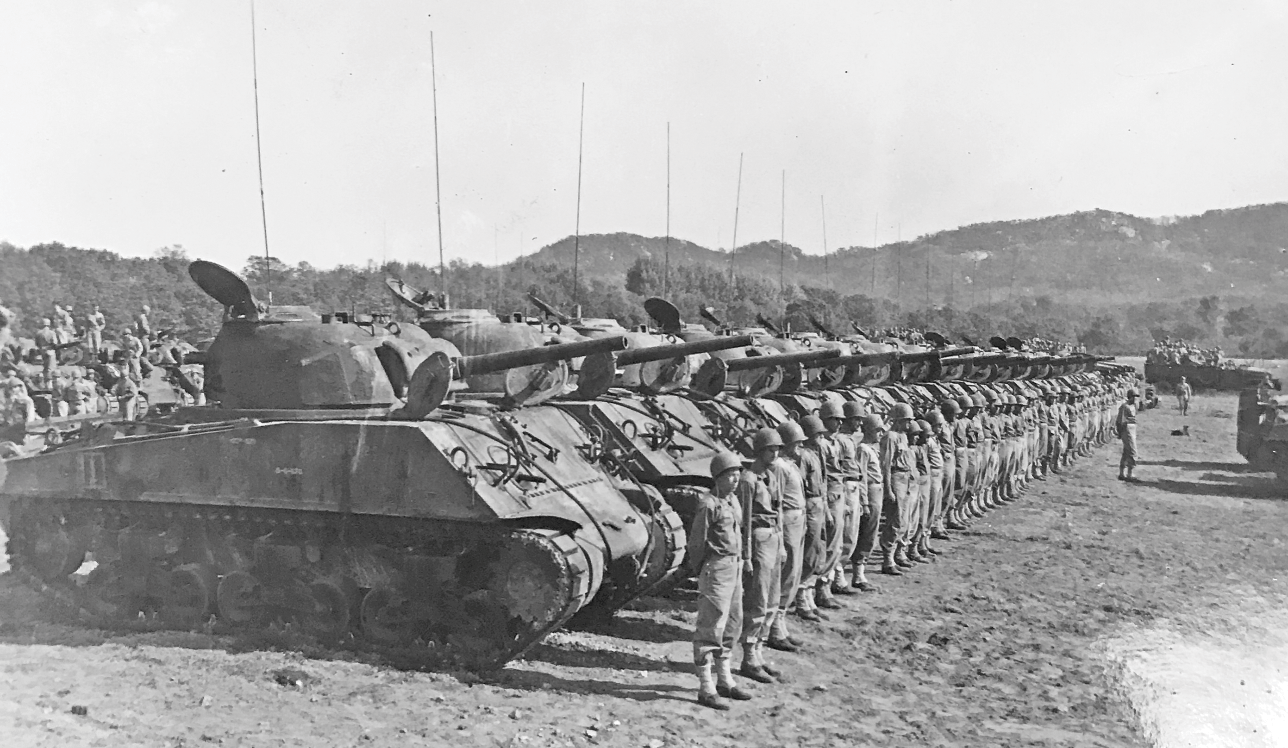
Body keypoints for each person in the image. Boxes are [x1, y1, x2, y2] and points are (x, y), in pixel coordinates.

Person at [689, 451, 752, 711]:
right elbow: (697, 543)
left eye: (737, 475)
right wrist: (704, 571)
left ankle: (725, 679)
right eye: (730, 476)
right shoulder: (709, 505)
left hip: (734, 566)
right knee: (711, 625)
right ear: (718, 478)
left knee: (733, 623)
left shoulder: (733, 501)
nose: (735, 480)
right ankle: (706, 687)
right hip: (717, 567)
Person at [738, 427, 784, 685]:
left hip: (773, 538)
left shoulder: (771, 476)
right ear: (759, 451)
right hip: (758, 539)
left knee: (772, 599)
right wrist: (746, 555)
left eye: (777, 449)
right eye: (770, 449)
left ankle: (759, 651)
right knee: (758, 599)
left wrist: (782, 545)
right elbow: (744, 520)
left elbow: (778, 511)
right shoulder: (747, 480)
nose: (775, 453)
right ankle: (748, 657)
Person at [767, 420, 807, 652]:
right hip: (788, 520)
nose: (800, 446)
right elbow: (777, 501)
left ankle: (780, 625)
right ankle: (774, 629)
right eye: (796, 443)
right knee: (785, 573)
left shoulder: (789, 465)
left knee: (793, 573)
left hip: (797, 518)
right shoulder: (779, 467)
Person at [1116, 390, 1139, 482]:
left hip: (1133, 428)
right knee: (1132, 451)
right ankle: (1130, 473)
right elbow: (1120, 421)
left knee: (1126, 451)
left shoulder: (1133, 406)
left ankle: (1122, 473)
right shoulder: (1124, 407)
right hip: (1127, 428)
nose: (1135, 398)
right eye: (1134, 396)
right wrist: (1120, 432)